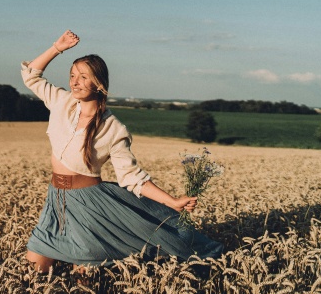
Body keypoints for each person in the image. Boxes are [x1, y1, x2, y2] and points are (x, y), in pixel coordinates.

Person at [22, 30, 223, 272]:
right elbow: (31, 75)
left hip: (90, 206)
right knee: (34, 268)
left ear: (99, 83)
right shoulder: (62, 102)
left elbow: (132, 177)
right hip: (56, 199)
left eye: (83, 77)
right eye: (72, 75)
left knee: (85, 275)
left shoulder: (113, 128)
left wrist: (172, 201)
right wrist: (58, 47)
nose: (75, 82)